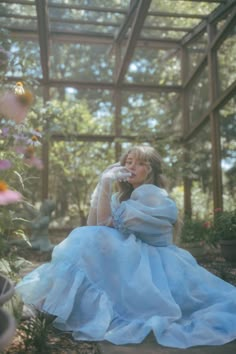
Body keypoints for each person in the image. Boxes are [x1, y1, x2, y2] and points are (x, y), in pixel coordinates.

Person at [16, 145, 236, 349]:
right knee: (87, 239)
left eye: (139, 163)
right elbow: (93, 226)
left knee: (92, 239)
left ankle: (47, 306)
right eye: (129, 161)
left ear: (151, 170)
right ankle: (48, 305)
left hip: (157, 265)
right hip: (134, 258)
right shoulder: (123, 197)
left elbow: (102, 225)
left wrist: (104, 182)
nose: (131, 166)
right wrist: (102, 186)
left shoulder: (153, 196)